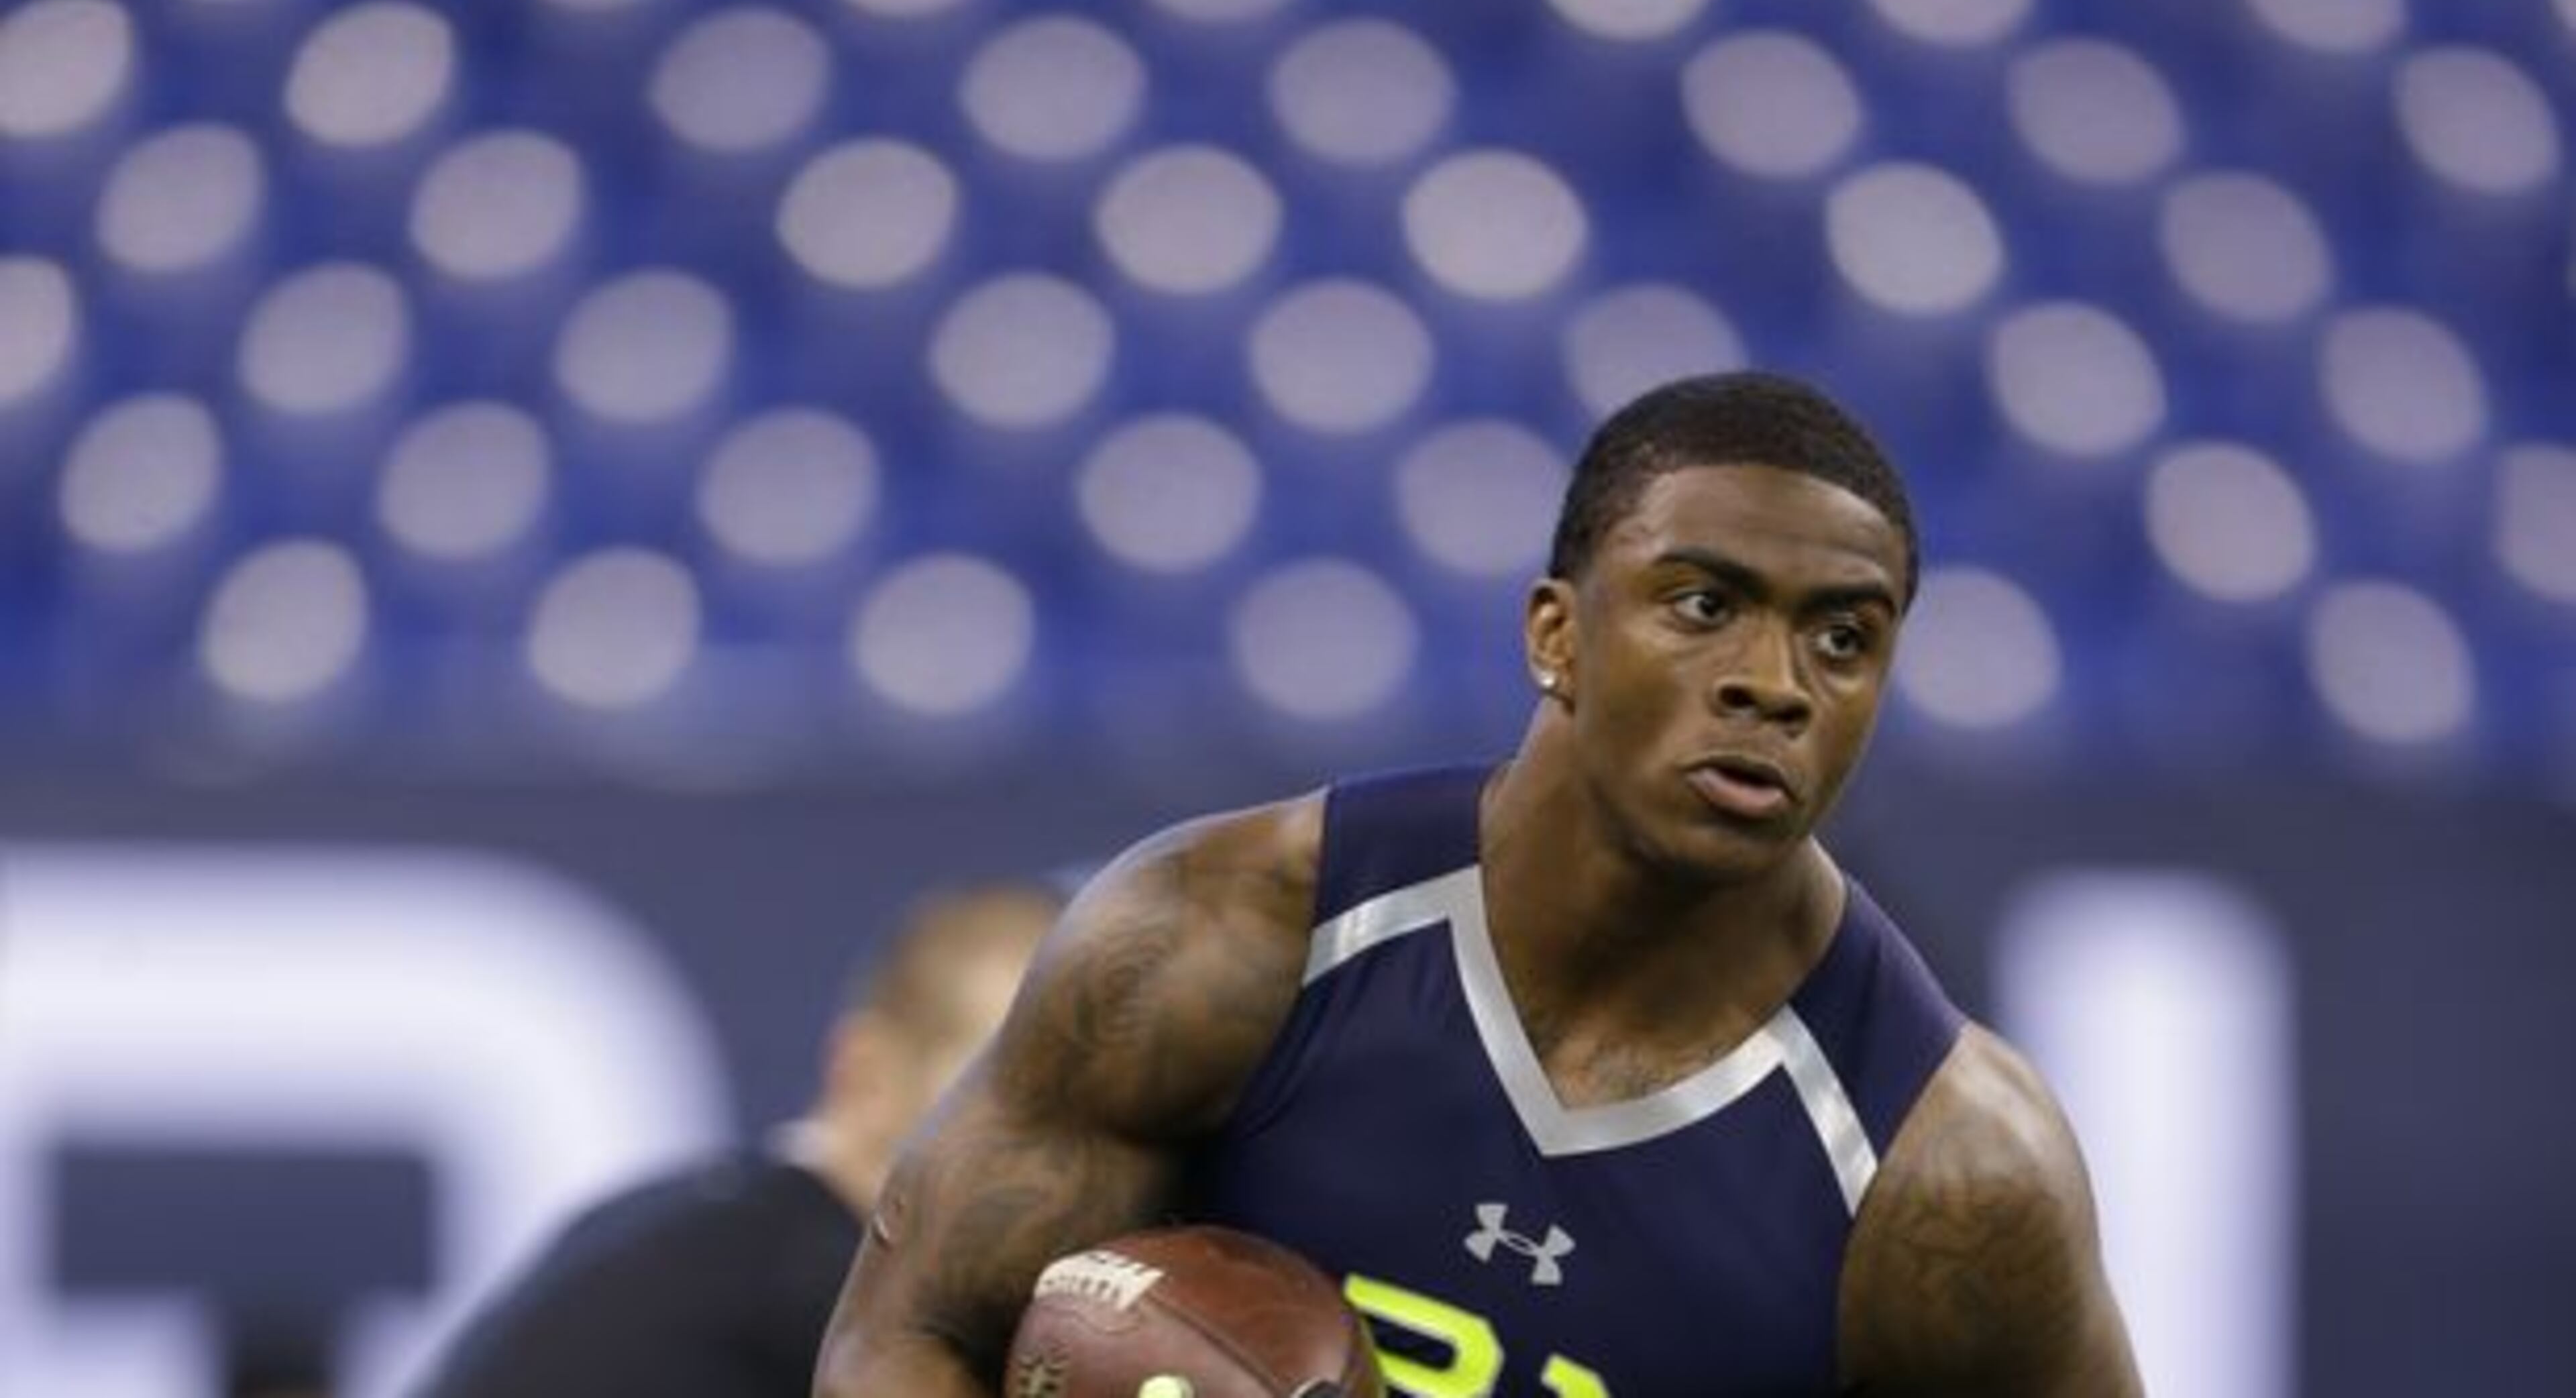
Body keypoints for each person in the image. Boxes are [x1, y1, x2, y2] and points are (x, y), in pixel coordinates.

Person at [815, 371, 2141, 1397]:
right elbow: (909, 1329)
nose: (1774, 683)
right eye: (1702, 606)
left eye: (1842, 639)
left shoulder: (1949, 1171)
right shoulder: (1223, 937)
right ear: (1556, 633)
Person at [417, 881, 1057, 1398]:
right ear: (866, 1078)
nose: (1067, 1160)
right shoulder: (842, 1313)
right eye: (1019, 1098)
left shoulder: (663, 1227)